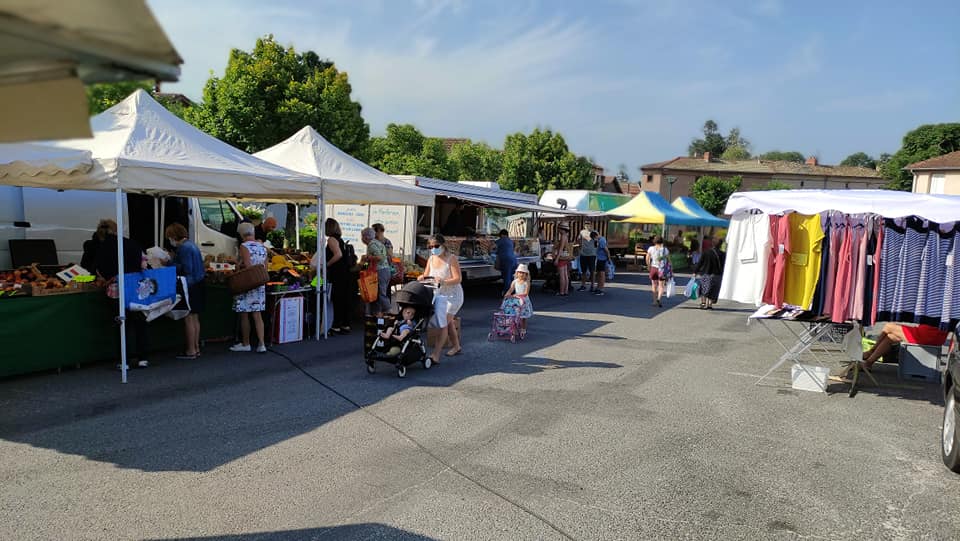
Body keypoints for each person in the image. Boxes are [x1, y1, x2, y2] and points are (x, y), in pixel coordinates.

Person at [95, 228, 149, 369]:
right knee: (140, 323)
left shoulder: (103, 248)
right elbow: (144, 264)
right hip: (136, 289)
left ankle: (124, 361)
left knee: (122, 326)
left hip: (116, 291)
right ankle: (142, 358)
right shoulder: (132, 243)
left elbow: (100, 270)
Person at [419, 234, 464, 363]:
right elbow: (426, 275)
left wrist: (443, 281)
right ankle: (456, 346)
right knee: (448, 322)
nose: (433, 249)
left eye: (436, 246)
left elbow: (458, 279)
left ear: (443, 245)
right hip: (439, 295)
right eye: (430, 246)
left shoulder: (451, 259)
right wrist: (421, 277)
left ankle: (436, 355)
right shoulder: (431, 259)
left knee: (443, 323)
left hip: (453, 296)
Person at [166, 223, 205, 359]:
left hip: (189, 285)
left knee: (188, 318)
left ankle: (190, 350)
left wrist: (169, 262)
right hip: (198, 283)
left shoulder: (184, 248)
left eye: (169, 237)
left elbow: (186, 268)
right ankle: (196, 348)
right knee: (195, 318)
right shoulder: (192, 245)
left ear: (173, 236)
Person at [311, 218, 355, 334]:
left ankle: (336, 325)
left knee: (338, 299)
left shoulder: (331, 239)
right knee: (344, 298)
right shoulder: (340, 239)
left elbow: (338, 255)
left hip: (338, 273)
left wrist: (327, 264)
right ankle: (345, 324)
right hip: (345, 272)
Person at [231, 222, 267, 353]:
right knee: (257, 314)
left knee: (244, 314)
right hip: (260, 282)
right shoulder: (263, 247)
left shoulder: (244, 246)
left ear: (241, 234)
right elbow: (265, 267)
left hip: (247, 283)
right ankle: (261, 344)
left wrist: (236, 264)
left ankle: (246, 343)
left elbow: (247, 265)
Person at [861, 323, 949, 370]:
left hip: (926, 335)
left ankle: (870, 352)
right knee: (890, 337)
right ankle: (868, 363)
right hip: (937, 337)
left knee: (889, 326)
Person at [361, 227, 392, 316]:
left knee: (380, 293)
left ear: (366, 237)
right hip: (386, 270)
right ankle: (377, 314)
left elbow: (379, 257)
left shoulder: (371, 244)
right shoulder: (378, 243)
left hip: (380, 271)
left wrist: (368, 258)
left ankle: (388, 310)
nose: (362, 239)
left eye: (362, 236)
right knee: (379, 293)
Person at [502, 263, 534, 337]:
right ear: (517, 273)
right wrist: (507, 294)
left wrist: (517, 295)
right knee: (515, 315)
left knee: (523, 317)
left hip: (523, 301)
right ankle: (515, 328)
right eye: (520, 272)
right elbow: (511, 289)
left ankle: (523, 328)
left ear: (526, 274)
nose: (521, 274)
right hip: (516, 301)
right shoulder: (515, 282)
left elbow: (526, 293)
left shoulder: (526, 283)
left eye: (523, 273)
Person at [693, 236, 723, 310]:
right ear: (721, 245)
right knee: (713, 290)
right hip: (717, 275)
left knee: (704, 289)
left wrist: (695, 272)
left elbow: (700, 263)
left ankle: (703, 303)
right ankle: (710, 304)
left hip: (706, 273)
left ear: (712, 243)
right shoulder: (722, 254)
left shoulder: (706, 252)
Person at [646, 235, 670, 307]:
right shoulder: (665, 250)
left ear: (654, 241)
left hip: (653, 268)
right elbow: (668, 260)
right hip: (661, 269)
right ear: (662, 241)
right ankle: (659, 299)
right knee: (661, 286)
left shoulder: (651, 248)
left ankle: (654, 301)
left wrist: (648, 266)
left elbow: (647, 258)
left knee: (654, 285)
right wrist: (670, 269)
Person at [495, 229, 518, 295]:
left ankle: (507, 292)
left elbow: (492, 246)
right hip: (513, 259)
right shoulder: (510, 241)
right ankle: (513, 290)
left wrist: (490, 251)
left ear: (502, 235)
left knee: (507, 276)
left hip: (506, 259)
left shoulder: (501, 240)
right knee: (510, 275)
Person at [553, 224, 572, 296]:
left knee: (562, 275)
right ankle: (565, 290)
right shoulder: (566, 236)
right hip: (566, 256)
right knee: (565, 274)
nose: (558, 230)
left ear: (562, 229)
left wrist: (556, 259)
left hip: (562, 257)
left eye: (559, 229)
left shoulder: (563, 236)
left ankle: (561, 291)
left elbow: (561, 249)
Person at [578, 224, 597, 292]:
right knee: (583, 271)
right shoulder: (582, 232)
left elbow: (597, 240)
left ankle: (592, 286)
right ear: (584, 225)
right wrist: (580, 248)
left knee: (592, 271)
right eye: (586, 224)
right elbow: (579, 240)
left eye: (589, 224)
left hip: (592, 254)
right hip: (583, 254)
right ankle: (583, 285)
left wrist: (593, 234)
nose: (588, 226)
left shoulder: (594, 232)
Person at [593, 231, 609, 296]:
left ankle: (601, 289)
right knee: (599, 274)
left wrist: (608, 258)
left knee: (601, 274)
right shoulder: (600, 240)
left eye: (594, 238)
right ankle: (598, 288)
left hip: (602, 259)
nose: (594, 239)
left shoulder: (601, 240)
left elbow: (606, 250)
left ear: (596, 236)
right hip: (600, 259)